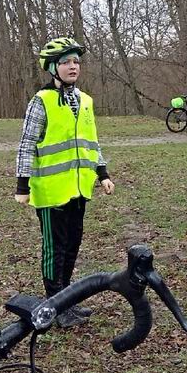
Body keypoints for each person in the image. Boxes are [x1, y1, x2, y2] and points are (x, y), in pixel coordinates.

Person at [15, 37, 115, 328]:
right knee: (54, 250)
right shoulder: (41, 102)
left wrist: (103, 173)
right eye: (66, 62)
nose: (73, 67)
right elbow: (26, 145)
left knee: (72, 245)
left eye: (76, 62)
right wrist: (22, 186)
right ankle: (53, 306)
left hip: (79, 188)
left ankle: (66, 302)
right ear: (52, 68)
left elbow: (90, 142)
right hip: (51, 191)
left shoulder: (85, 102)